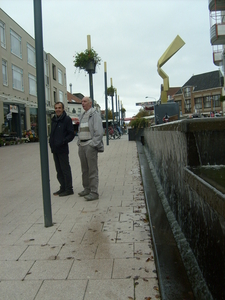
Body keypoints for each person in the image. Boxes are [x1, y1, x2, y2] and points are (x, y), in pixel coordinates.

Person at [77, 96, 104, 201]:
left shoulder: (95, 115)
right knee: (84, 170)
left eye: (85, 101)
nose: (82, 103)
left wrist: (93, 144)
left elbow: (99, 132)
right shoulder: (82, 115)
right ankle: (86, 188)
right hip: (82, 145)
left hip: (90, 145)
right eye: (82, 102)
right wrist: (79, 142)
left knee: (92, 169)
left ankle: (94, 192)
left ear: (90, 103)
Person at [49, 101, 74, 196]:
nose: (57, 110)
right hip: (55, 149)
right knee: (59, 170)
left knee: (65, 169)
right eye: (56, 108)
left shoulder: (67, 119)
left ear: (63, 109)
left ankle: (69, 189)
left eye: (59, 108)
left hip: (62, 149)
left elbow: (71, 134)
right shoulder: (54, 120)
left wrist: (63, 141)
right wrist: (51, 142)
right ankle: (62, 187)